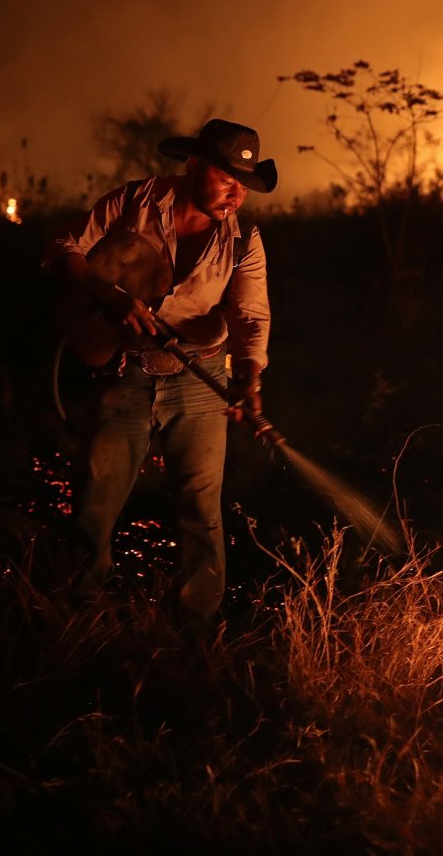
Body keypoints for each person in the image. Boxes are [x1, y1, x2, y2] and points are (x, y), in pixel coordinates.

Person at [45, 118, 276, 628]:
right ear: (193, 165)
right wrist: (110, 295)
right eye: (225, 177)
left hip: (199, 381)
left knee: (201, 511)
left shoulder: (244, 240)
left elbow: (251, 316)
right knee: (95, 502)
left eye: (245, 184)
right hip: (124, 373)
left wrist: (249, 378)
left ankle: (195, 628)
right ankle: (76, 615)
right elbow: (66, 248)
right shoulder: (133, 202)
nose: (236, 193)